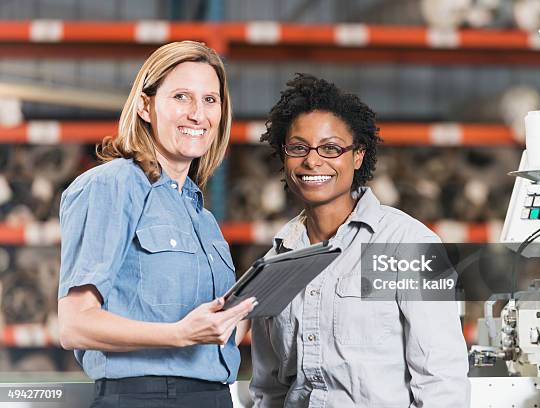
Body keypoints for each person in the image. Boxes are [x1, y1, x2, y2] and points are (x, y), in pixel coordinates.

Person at [250, 74, 470, 407]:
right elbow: (269, 388)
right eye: (298, 147)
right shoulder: (274, 262)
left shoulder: (407, 245)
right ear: (284, 156)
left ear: (357, 156)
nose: (312, 161)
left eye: (331, 148)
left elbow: (442, 380)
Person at [57, 41, 256, 408]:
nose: (198, 114)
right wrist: (179, 334)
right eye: (181, 97)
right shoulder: (113, 185)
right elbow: (74, 325)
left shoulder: (201, 214)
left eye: (210, 100)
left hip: (212, 396)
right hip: (145, 397)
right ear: (146, 106)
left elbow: (214, 330)